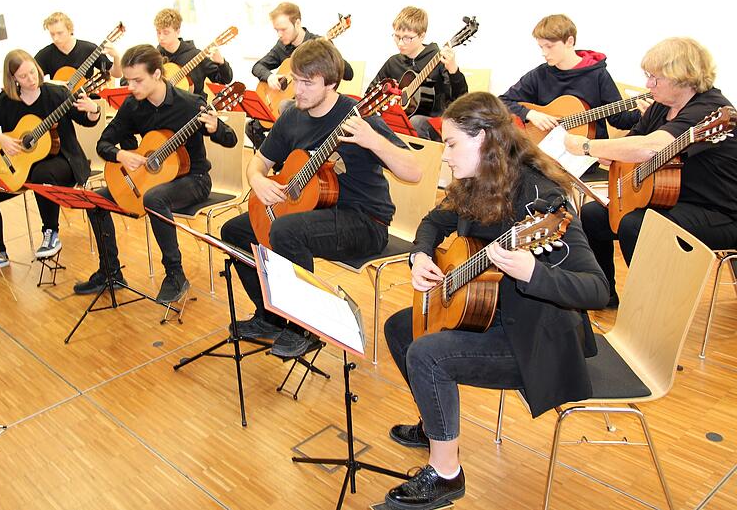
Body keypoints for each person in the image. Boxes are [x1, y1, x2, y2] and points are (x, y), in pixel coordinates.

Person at [382, 92, 609, 510]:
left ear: (484, 138)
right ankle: (437, 425)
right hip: (484, 315)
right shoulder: (476, 182)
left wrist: (533, 273)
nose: (445, 156)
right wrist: (421, 254)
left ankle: (446, 475)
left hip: (535, 338)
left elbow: (597, 288)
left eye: (451, 144)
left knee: (427, 354)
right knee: (399, 327)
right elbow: (434, 220)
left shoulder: (541, 198)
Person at [221, 38, 421, 358]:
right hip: (311, 208)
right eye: (296, 80)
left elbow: (414, 172)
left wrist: (374, 141)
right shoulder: (293, 115)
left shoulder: (359, 116)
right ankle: (272, 316)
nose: (297, 90)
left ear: (330, 83)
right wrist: (256, 179)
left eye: (307, 83)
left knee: (286, 230)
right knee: (234, 231)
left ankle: (306, 327)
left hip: (364, 220)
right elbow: (260, 162)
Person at [565, 37, 737, 308]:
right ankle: (603, 295)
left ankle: (653, 309)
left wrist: (585, 145)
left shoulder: (709, 109)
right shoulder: (661, 107)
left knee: (637, 224)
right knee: (591, 215)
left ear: (683, 77)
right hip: (666, 201)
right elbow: (629, 147)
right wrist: (612, 155)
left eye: (655, 78)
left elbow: (652, 149)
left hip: (718, 212)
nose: (648, 85)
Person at [73, 44, 236, 302]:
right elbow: (103, 143)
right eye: (128, 80)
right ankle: (110, 272)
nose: (131, 87)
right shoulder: (133, 106)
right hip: (152, 180)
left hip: (193, 178)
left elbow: (230, 139)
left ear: (157, 75)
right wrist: (122, 155)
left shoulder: (190, 104)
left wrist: (216, 127)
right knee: (96, 201)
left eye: (138, 80)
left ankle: (175, 274)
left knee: (154, 198)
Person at [0, 49, 99, 272]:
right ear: (13, 79)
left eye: (33, 72)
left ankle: (51, 232)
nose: (31, 80)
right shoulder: (7, 100)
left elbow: (87, 121)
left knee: (42, 174)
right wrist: (2, 139)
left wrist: (93, 110)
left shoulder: (56, 94)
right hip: (22, 167)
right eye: (23, 76)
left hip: (64, 162)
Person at [499, 14, 642, 144]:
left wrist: (643, 114)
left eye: (549, 46)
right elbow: (502, 101)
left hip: (586, 156)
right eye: (541, 47)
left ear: (569, 41)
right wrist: (531, 114)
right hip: (547, 156)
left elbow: (619, 119)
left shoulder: (597, 74)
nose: (544, 53)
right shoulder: (539, 75)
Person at [248, 2, 355, 148]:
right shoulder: (282, 46)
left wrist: (330, 49)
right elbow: (257, 66)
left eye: (283, 29)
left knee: (285, 106)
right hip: (289, 106)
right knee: (252, 127)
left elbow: (349, 74)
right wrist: (270, 77)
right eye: (276, 30)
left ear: (297, 23)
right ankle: (281, 164)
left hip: (312, 107)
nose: (279, 35)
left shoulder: (319, 43)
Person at [367, 6, 468, 142]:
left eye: (407, 38)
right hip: (400, 122)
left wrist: (453, 71)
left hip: (431, 123)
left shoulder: (437, 59)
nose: (400, 43)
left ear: (422, 35)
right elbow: (371, 92)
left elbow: (461, 100)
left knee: (417, 122)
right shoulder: (394, 62)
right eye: (397, 37)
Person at [154, 8, 233, 98]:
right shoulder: (155, 56)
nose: (161, 37)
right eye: (158, 32)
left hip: (194, 108)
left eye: (166, 33)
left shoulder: (196, 55)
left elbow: (225, 80)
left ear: (177, 31)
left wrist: (221, 63)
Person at [35, 12, 122, 83]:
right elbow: (31, 80)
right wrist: (53, 83)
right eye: (52, 34)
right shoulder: (46, 54)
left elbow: (117, 74)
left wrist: (116, 57)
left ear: (70, 30)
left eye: (60, 33)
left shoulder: (89, 49)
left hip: (85, 100)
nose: (55, 38)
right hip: (59, 102)